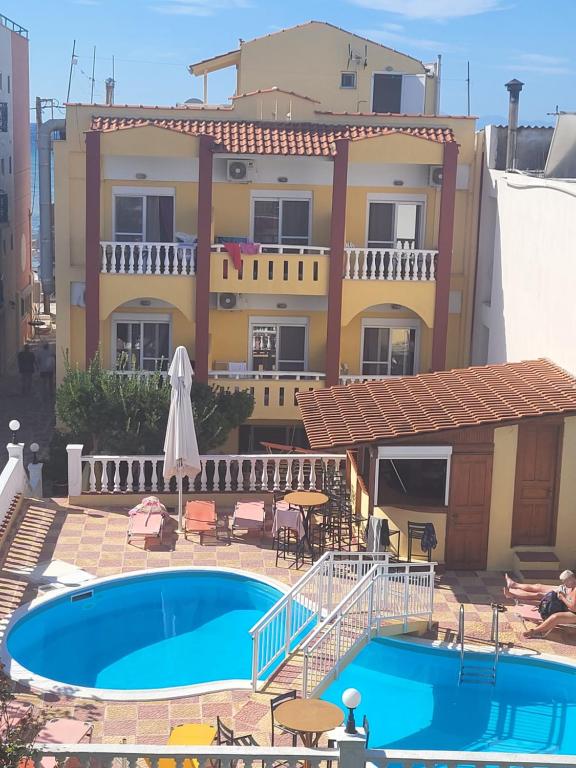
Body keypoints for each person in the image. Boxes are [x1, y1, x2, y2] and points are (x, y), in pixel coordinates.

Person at [503, 571, 576, 604]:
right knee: (538, 586)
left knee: (539, 595)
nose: (564, 583)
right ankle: (513, 584)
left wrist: (563, 597)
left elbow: (572, 605)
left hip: (562, 597)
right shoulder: (569, 584)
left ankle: (512, 595)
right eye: (564, 581)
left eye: (566, 581)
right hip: (562, 589)